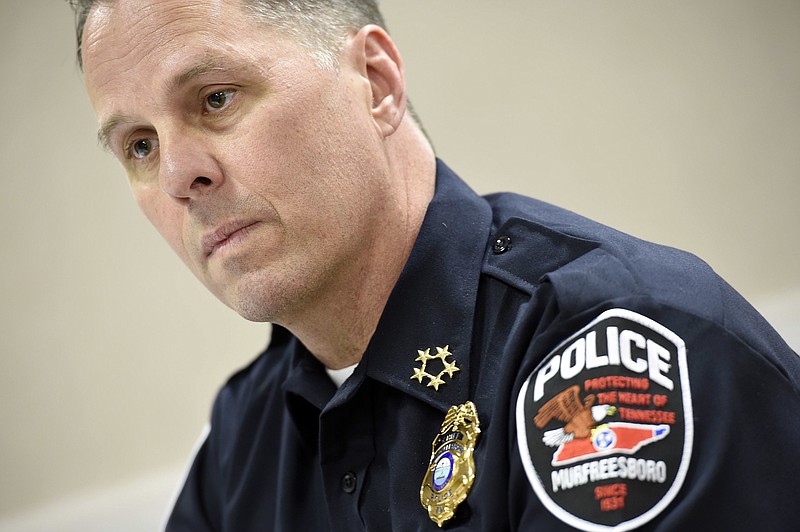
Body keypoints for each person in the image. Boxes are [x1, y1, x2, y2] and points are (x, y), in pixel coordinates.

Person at [68, 0, 800, 530]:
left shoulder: (623, 348)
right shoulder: (242, 439)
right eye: (138, 145)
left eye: (216, 99)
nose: (176, 176)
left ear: (377, 83)